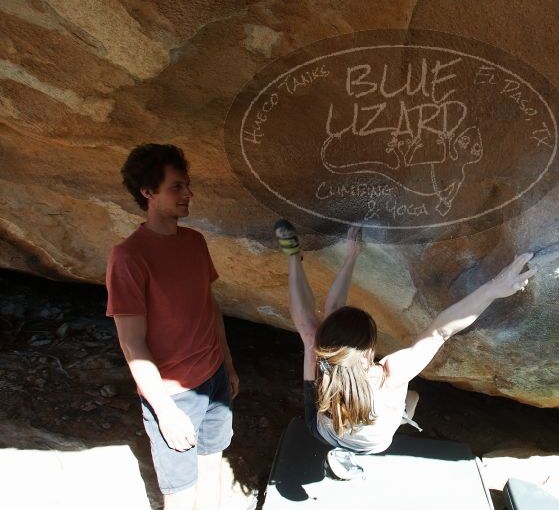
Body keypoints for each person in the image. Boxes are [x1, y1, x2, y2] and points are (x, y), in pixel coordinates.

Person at [274, 219, 536, 479]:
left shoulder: (324, 358)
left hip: (329, 427)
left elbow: (333, 311)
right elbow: (440, 331)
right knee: (408, 397)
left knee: (310, 335)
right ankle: (293, 260)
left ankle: (293, 260)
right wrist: (492, 288)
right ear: (369, 348)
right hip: (365, 439)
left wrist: (350, 256)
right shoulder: (391, 374)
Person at [105, 144, 239, 510]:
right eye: (176, 187)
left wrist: (226, 362)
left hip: (213, 377)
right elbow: (131, 343)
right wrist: (164, 410)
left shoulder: (194, 242)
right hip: (172, 392)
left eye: (187, 185)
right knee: (180, 491)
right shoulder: (129, 257)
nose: (188, 194)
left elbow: (208, 306)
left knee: (213, 465)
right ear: (148, 193)